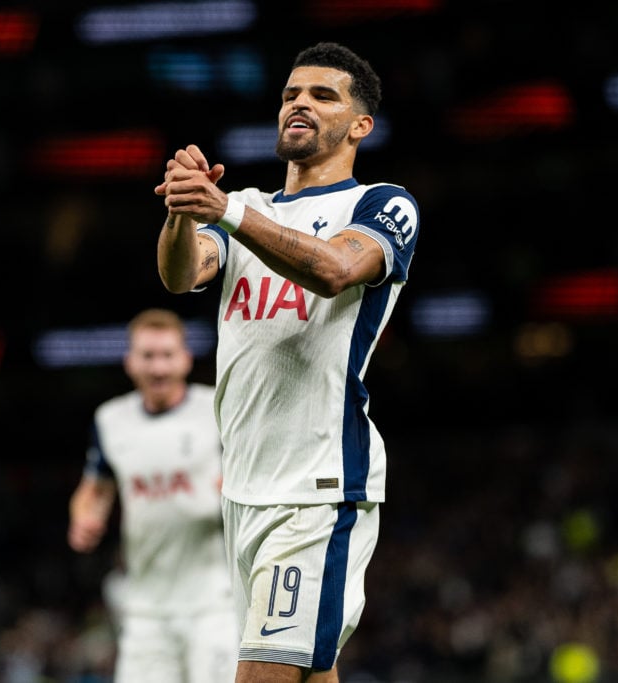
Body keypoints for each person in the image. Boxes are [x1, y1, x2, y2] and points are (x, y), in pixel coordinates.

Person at [155, 42, 420, 683]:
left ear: (361, 125)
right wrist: (180, 213)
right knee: (307, 672)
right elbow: (182, 274)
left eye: (322, 95)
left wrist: (225, 210)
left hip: (318, 486)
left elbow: (335, 271)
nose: (299, 103)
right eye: (290, 94)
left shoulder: (383, 204)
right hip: (244, 488)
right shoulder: (253, 207)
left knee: (262, 675)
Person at [67, 308, 239, 682]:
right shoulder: (111, 420)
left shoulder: (217, 408)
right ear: (130, 362)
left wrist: (236, 487)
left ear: (185, 359)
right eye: (148, 356)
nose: (158, 368)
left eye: (167, 355)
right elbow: (94, 488)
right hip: (145, 607)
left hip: (214, 602)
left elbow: (255, 471)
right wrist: (83, 517)